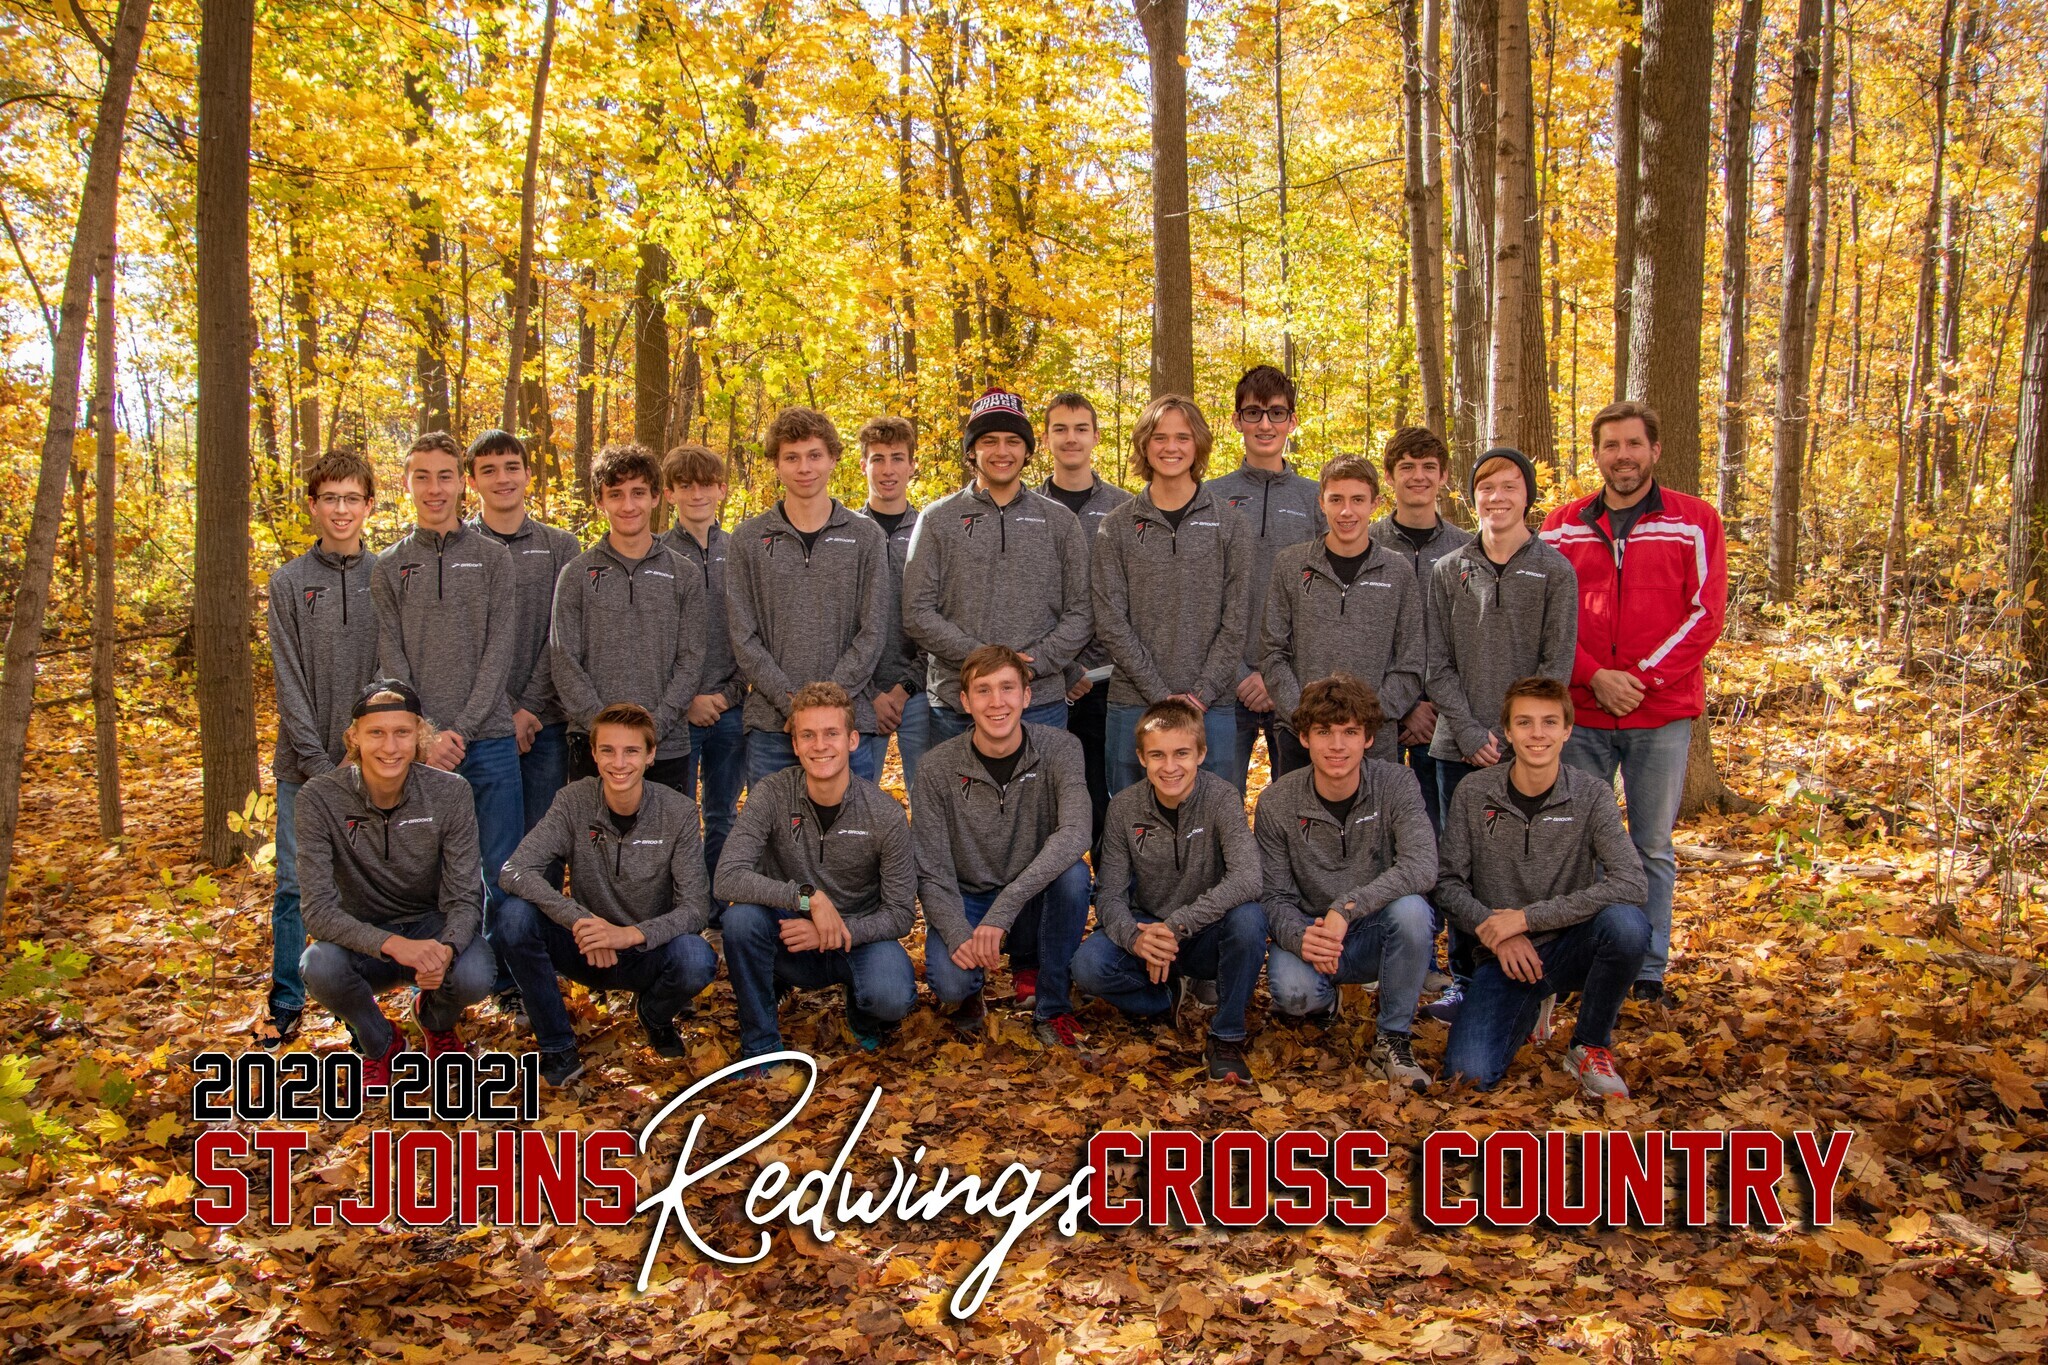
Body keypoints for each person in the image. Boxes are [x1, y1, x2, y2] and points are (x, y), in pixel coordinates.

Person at [1539, 401, 1727, 1001]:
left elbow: (1706, 614)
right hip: (1582, 712)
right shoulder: (1560, 526)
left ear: (1655, 450)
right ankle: (1582, 959)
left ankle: (1646, 968)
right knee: (1577, 842)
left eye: (1633, 444)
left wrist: (1640, 679)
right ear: (1596, 454)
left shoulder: (1695, 521)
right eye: (1611, 446)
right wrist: (1594, 676)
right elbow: (1545, 616)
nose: (1623, 456)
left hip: (1660, 714)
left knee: (1651, 846)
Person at [1438, 678, 1651, 1098]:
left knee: (1627, 925)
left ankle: (1588, 1045)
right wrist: (1496, 931)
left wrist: (1526, 919)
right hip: (1503, 956)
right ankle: (1531, 1006)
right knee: (1468, 1076)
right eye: (1525, 722)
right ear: (1507, 731)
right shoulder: (1474, 792)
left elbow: (1631, 881)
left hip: (1572, 945)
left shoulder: (1591, 794)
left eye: (1549, 722)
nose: (1537, 734)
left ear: (1567, 730)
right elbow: (1446, 884)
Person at [372, 431, 523, 1016]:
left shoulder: (493, 559)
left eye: (444, 476)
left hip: (490, 741)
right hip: (418, 750)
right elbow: (392, 662)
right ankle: (433, 985)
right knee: (430, 871)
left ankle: (505, 982)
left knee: (501, 866)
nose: (434, 489)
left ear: (462, 483)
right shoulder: (389, 567)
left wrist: (460, 727)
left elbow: (499, 651)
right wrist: (426, 736)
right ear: (406, 483)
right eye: (422, 477)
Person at [1424, 446, 1578, 1019]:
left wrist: (1517, 734)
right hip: (1458, 748)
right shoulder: (1448, 569)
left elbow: (1555, 666)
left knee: (1524, 862)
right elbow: (1435, 663)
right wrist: (1469, 732)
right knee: (1461, 865)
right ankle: (1466, 977)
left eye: (1510, 485)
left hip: (1528, 747)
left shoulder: (1555, 570)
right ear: (1472, 497)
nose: (1497, 497)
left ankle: (1536, 977)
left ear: (1527, 495)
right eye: (1486, 487)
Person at [497, 703, 720, 1087]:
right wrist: (581, 920)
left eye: (631, 751)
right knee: (513, 917)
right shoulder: (573, 801)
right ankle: (557, 1046)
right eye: (608, 750)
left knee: (697, 957)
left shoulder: (678, 812)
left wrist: (628, 935)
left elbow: (696, 907)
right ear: (594, 754)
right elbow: (514, 870)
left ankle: (654, 1014)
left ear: (650, 755)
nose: (619, 763)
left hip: (647, 951)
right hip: (585, 947)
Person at [297, 681, 497, 1085]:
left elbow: (465, 895)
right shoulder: (319, 798)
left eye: (402, 732)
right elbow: (317, 911)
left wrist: (447, 949)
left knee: (476, 972)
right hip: (363, 939)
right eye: (376, 733)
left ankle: (435, 1019)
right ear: (354, 737)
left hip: (431, 930)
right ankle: (381, 1042)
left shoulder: (451, 792)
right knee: (318, 965)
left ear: (419, 736)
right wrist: (394, 945)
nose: (390, 747)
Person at [715, 682, 919, 1060]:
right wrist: (806, 898)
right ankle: (760, 1045)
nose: (820, 745)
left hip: (856, 940)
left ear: (852, 740)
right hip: (790, 937)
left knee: (891, 996)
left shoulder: (885, 814)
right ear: (795, 744)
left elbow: (901, 914)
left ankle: (862, 1014)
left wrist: (833, 932)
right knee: (740, 920)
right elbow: (727, 876)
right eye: (808, 735)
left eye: (831, 734)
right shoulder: (772, 793)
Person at [1255, 674, 1439, 1093]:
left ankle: (1392, 1038)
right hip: (1314, 933)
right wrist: (1301, 937)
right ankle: (1328, 999)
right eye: (1324, 732)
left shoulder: (1396, 784)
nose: (1337, 745)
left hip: (1374, 928)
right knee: (1295, 997)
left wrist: (1347, 907)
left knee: (1413, 910)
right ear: (1304, 737)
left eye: (1350, 732)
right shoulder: (1278, 801)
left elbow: (1422, 865)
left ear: (1368, 738)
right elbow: (1273, 894)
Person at [1070, 700, 1267, 1082]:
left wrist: (1176, 926)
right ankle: (1164, 997)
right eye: (1157, 755)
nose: (1170, 766)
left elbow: (1248, 878)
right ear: (1141, 758)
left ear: (1201, 754)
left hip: (1204, 930)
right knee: (1088, 966)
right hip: (1147, 928)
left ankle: (1226, 1037)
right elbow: (1110, 894)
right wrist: (1135, 939)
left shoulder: (1221, 797)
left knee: (1249, 919)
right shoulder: (1124, 808)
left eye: (1181, 754)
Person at [259, 449, 382, 1047]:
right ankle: (286, 998)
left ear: (369, 505)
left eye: (351, 498)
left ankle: (357, 1005)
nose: (340, 509)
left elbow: (389, 673)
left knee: (360, 887)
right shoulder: (288, 582)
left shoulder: (387, 576)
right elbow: (287, 676)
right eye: (329, 498)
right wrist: (316, 760)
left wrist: (360, 754)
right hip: (301, 767)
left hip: (373, 765)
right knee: (294, 884)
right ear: (313, 506)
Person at [912, 645, 1092, 1047]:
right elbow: (930, 868)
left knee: (1074, 876)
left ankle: (1053, 1006)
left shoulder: (1061, 748)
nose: (997, 702)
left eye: (1007, 688)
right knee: (951, 983)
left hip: (1030, 895)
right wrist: (957, 932)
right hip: (969, 898)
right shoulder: (936, 767)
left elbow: (1077, 831)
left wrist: (1005, 909)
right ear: (965, 701)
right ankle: (972, 991)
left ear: (1026, 696)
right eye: (984, 690)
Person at [904, 388, 1092, 749]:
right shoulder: (937, 519)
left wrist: (1030, 666)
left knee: (1042, 789)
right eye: (989, 441)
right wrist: (986, 664)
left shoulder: (1060, 521)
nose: (1002, 452)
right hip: (956, 704)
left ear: (1027, 451)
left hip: (1040, 702)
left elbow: (1083, 612)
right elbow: (917, 613)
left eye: (1013, 441)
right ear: (971, 451)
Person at [1092, 394, 1251, 795]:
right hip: (1134, 702)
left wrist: (1200, 695)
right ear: (1145, 444)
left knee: (1215, 817)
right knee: (1130, 818)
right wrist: (1160, 696)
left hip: (1211, 706)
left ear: (1198, 444)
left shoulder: (1231, 524)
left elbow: (1236, 621)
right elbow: (1110, 621)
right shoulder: (1117, 527)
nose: (1171, 447)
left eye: (1182, 437)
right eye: (1160, 437)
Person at [727, 407, 894, 787]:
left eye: (814, 455)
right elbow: (743, 637)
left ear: (833, 458)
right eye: (792, 457)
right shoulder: (748, 540)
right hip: (772, 726)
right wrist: (792, 704)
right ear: (776, 464)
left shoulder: (866, 536)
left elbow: (873, 631)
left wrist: (828, 707)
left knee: (852, 823)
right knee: (774, 825)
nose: (804, 467)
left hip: (848, 723)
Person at [550, 442, 707, 792]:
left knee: (666, 829)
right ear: (599, 501)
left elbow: (691, 660)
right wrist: (606, 732)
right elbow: (564, 661)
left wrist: (652, 728)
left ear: (655, 498)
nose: (628, 505)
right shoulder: (576, 574)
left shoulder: (684, 574)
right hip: (593, 747)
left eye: (638, 493)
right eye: (616, 494)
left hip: (666, 745)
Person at [1260, 454, 1423, 772]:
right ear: (1321, 502)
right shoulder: (1290, 565)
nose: (1346, 511)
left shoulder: (1398, 571)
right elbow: (1272, 653)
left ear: (1375, 503)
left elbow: (1411, 663)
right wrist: (1307, 717)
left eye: (1357, 500)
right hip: (1301, 736)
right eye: (1336, 499)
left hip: (1373, 739)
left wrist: (1363, 720)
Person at [1210, 365, 1325, 793]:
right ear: (1236, 420)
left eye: (1276, 413)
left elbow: (1322, 601)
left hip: (1295, 685)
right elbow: (1203, 595)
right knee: (1219, 804)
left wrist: (1278, 678)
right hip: (1225, 684)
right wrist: (1239, 672)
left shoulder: (1317, 499)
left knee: (1297, 807)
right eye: (1253, 413)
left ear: (1292, 421)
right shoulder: (1210, 496)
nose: (1265, 424)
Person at [464, 429, 581, 839]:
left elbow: (563, 635)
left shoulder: (561, 547)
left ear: (529, 475)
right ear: (471, 481)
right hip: (475, 724)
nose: (503, 478)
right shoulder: (458, 548)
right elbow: (462, 641)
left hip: (546, 722)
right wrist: (505, 708)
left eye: (512, 467)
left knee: (542, 840)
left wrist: (528, 707)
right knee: (484, 843)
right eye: (489, 470)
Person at [1038, 392, 1132, 849]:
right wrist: (1062, 666)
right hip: (1041, 680)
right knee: (1046, 801)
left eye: (1080, 429)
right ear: (1045, 439)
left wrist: (1086, 669)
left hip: (1108, 681)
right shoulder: (1026, 507)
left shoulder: (1124, 508)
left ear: (1096, 436)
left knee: (1104, 801)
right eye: (1060, 429)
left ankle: (1109, 885)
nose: (1070, 438)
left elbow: (1127, 596)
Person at [1369, 426, 1472, 831]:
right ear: (1389, 476)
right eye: (1406, 467)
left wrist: (1437, 706)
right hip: (1379, 709)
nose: (1418, 476)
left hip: (1446, 715)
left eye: (1429, 467)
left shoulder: (1467, 549)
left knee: (1443, 829)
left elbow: (1468, 635)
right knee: (1383, 827)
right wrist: (1404, 707)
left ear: (1444, 476)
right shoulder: (1365, 542)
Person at [660, 443, 747, 885]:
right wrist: (687, 700)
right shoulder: (656, 554)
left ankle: (716, 908)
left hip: (732, 708)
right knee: (676, 817)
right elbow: (654, 643)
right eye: (685, 485)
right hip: (677, 713)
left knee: (723, 815)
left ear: (722, 490)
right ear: (669, 493)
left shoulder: (741, 550)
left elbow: (754, 630)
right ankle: (684, 904)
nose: (697, 494)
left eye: (706, 485)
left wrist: (728, 695)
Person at [855, 417, 930, 785]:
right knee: (858, 800)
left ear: (912, 465)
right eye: (878, 459)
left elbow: (939, 616)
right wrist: (870, 693)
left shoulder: (930, 530)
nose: (888, 470)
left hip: (920, 692)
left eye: (897, 458)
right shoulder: (847, 533)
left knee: (929, 799)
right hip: (859, 693)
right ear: (863, 465)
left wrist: (905, 690)